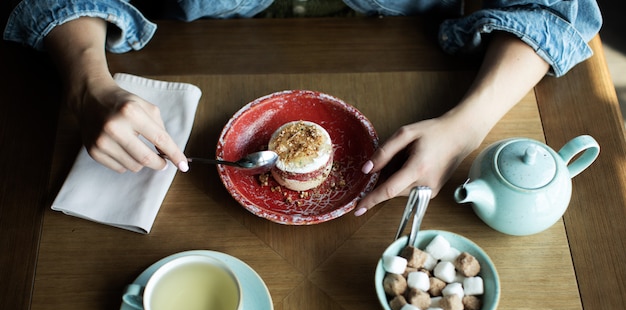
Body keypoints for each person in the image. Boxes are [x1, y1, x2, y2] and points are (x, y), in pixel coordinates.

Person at [3, 0, 602, 215]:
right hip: (192, 54)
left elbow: (554, 8)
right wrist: (88, 84)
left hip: (411, 64)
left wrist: (467, 124)